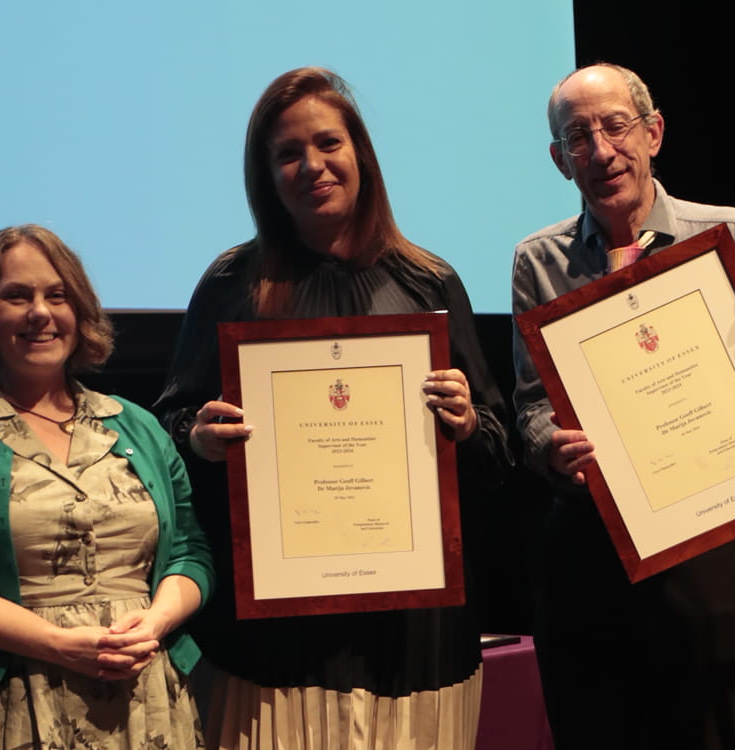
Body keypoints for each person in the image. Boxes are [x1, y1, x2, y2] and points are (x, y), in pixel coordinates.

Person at [154, 67, 511, 750]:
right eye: (288, 153)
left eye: (327, 144)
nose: (311, 165)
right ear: (267, 176)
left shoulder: (429, 283)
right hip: (272, 646)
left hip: (412, 641)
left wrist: (467, 426)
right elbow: (165, 437)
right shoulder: (233, 285)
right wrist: (198, 440)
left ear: (361, 156)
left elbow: (498, 451)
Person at [510, 63, 735, 750]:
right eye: (578, 136)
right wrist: (550, 447)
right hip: (591, 548)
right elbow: (532, 408)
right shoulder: (538, 261)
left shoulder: (731, 234)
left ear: (654, 133)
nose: (602, 151)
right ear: (559, 161)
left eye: (615, 126)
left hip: (712, 541)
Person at [0, 224, 215, 749]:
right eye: (17, 296)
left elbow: (192, 553)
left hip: (142, 697)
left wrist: (155, 622)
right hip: (0, 708)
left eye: (56, 295)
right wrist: (59, 645)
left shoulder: (137, 426)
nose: (40, 312)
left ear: (78, 310)